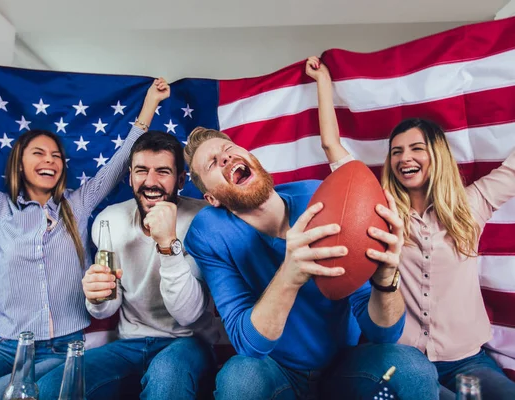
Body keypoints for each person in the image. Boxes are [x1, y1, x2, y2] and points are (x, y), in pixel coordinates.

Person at [0, 47, 170, 399]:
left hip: (62, 348)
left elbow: (118, 164)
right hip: (3, 346)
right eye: (39, 153)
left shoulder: (77, 206)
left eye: (55, 156)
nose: (50, 160)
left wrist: (150, 105)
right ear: (20, 164)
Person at [182, 65, 440, 400]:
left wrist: (385, 277)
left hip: (343, 368)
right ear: (212, 198)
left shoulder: (319, 197)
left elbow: (383, 334)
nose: (227, 156)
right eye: (213, 163)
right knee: (238, 379)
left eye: (230, 149)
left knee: (411, 367)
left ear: (250, 157)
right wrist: (290, 273)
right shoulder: (210, 232)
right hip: (276, 372)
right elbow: (248, 343)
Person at [312, 54, 515, 399]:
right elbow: (333, 148)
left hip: (466, 365)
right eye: (397, 151)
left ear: (436, 155)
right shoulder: (379, 210)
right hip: (401, 364)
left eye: (417, 149)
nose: (405, 157)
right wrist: (323, 84)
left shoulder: (471, 204)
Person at [37, 131, 219, 399]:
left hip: (189, 342)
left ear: (180, 179)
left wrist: (168, 245)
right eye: (141, 171)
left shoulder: (202, 220)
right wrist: (97, 297)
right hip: (130, 343)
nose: (151, 182)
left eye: (163, 172)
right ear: (131, 176)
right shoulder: (110, 221)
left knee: (167, 374)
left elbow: (188, 315)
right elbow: (105, 308)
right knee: (54, 386)